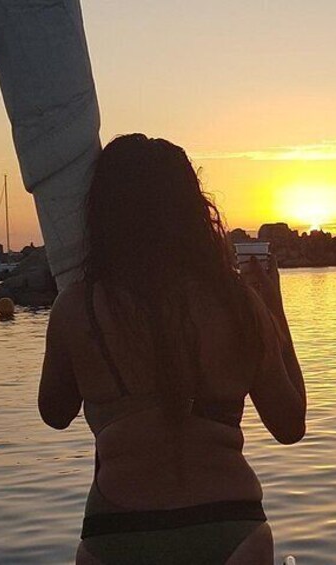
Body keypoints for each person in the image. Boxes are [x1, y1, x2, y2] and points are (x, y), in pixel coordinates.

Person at [39, 135, 306, 564]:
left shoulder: (77, 307)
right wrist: (273, 308)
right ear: (193, 211)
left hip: (118, 533)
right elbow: (289, 425)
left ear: (102, 213)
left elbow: (54, 413)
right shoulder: (237, 304)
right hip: (230, 527)